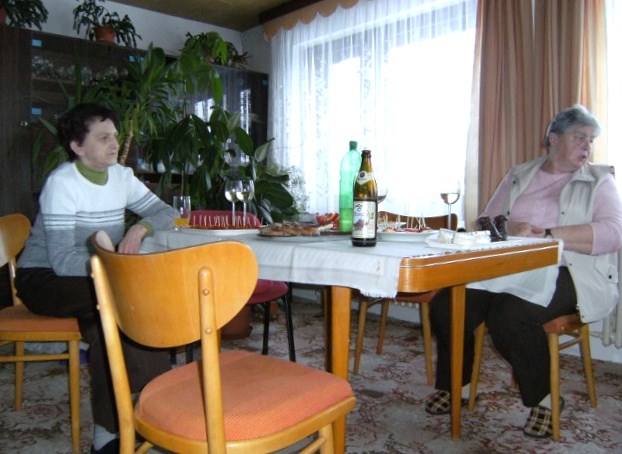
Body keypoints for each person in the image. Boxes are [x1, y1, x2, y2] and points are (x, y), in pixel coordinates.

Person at [425, 104, 622, 438]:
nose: (587, 146)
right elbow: (485, 222)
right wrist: (508, 225)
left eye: (591, 140)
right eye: (579, 137)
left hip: (569, 270)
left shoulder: (599, 180)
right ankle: (457, 384)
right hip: (509, 266)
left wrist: (550, 235)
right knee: (447, 305)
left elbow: (614, 233)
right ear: (553, 138)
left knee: (509, 317)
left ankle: (544, 399)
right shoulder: (520, 174)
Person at [15, 103, 177, 454]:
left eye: (114, 136)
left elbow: (166, 211)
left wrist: (140, 228)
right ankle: (149, 414)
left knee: (106, 323)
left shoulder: (121, 177)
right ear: (77, 146)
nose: (114, 144)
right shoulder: (63, 183)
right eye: (103, 138)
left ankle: (117, 427)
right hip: (43, 278)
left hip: (96, 276)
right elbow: (62, 261)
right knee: (120, 302)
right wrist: (114, 269)